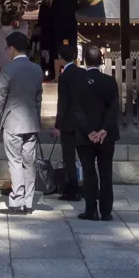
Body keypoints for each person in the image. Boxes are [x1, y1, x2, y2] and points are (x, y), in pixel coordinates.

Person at [0, 30, 44, 214]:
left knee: (15, 161)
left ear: (12, 49)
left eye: (7, 48)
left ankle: (17, 200)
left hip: (12, 121)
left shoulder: (7, 69)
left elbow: (0, 100)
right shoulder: (37, 69)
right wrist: (38, 120)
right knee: (30, 162)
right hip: (31, 122)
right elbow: (38, 99)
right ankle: (29, 201)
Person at [71, 43, 121, 221]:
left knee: (89, 172)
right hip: (106, 136)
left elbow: (76, 109)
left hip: (85, 136)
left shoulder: (77, 82)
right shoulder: (109, 81)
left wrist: (89, 131)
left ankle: (91, 209)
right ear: (101, 61)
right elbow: (114, 107)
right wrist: (104, 129)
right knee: (106, 172)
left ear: (84, 61)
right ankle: (106, 211)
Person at [51, 45, 84, 201]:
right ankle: (87, 187)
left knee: (69, 158)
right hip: (83, 122)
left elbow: (62, 103)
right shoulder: (83, 73)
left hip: (69, 123)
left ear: (61, 59)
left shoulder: (64, 77)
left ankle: (72, 189)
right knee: (85, 158)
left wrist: (58, 125)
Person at [47, 0, 80, 80]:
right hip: (71, 28)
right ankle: (73, 75)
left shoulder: (56, 0)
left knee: (56, 52)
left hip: (58, 29)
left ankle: (57, 76)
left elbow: (51, 14)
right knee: (73, 51)